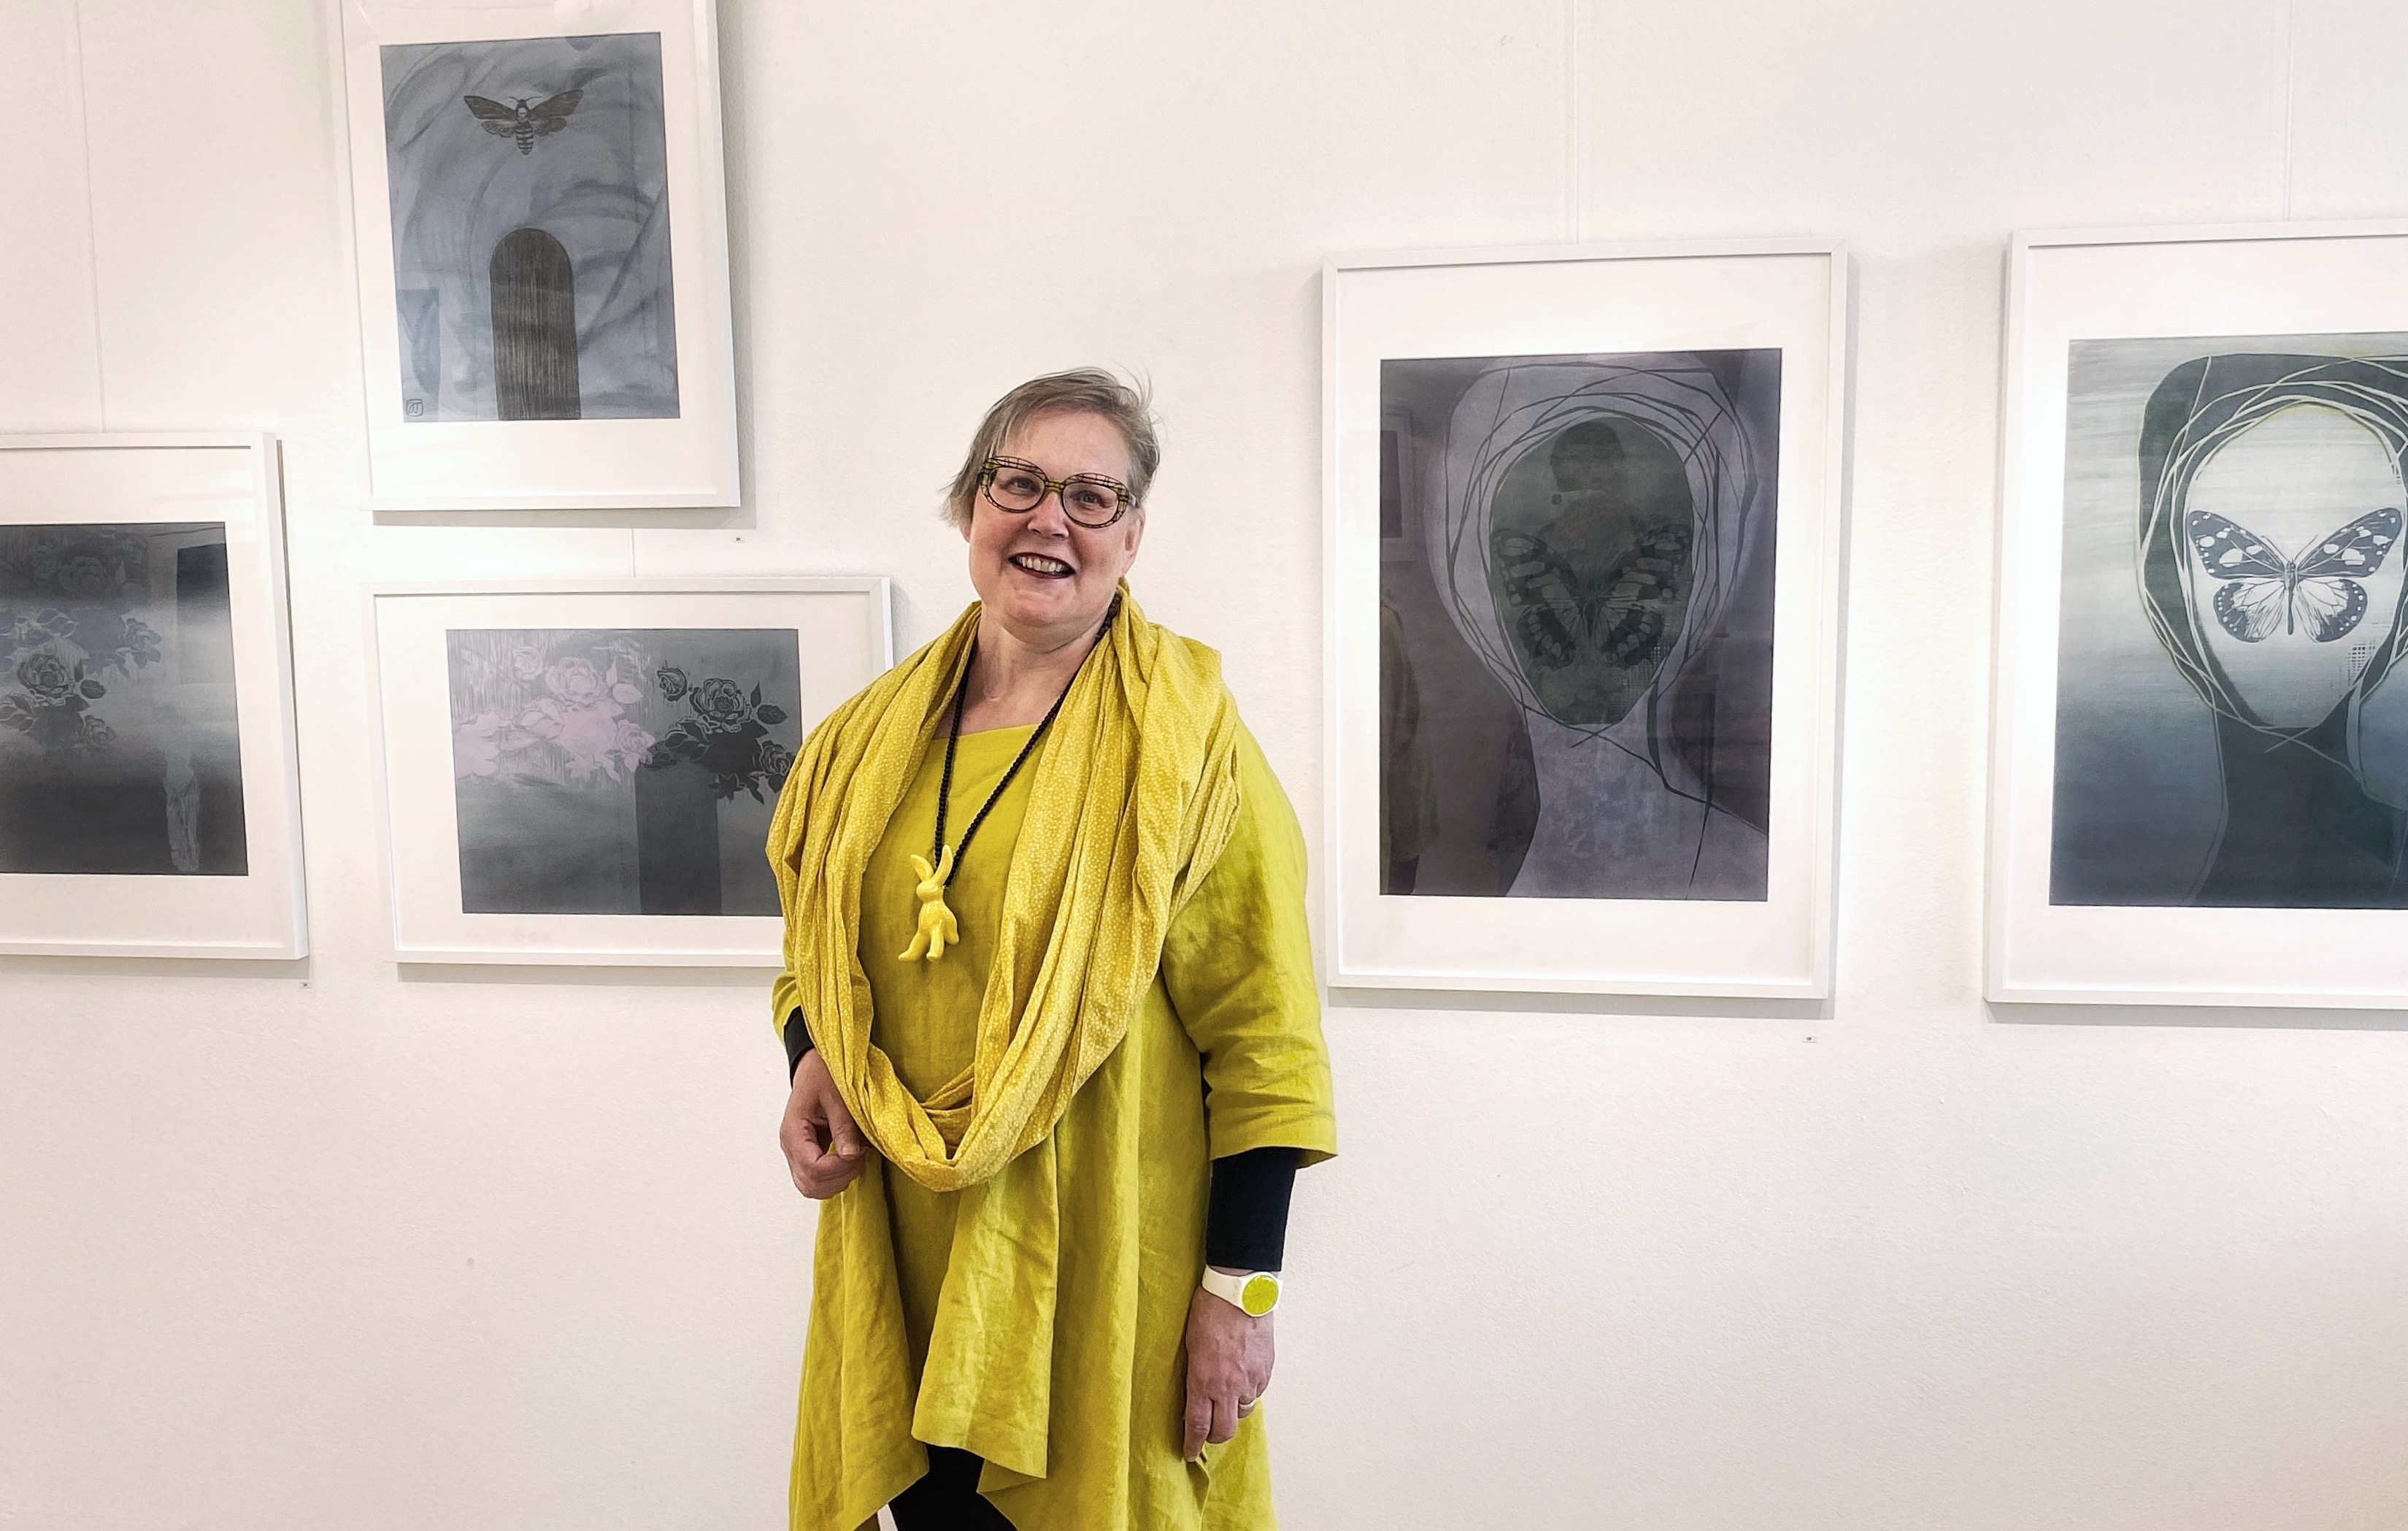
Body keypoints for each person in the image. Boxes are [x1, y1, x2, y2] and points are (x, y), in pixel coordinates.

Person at [766, 369, 1336, 1531]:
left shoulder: (1189, 748)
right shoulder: (863, 741)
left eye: (1090, 495)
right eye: (1018, 482)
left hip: (1103, 1289)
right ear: (969, 504)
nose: (1049, 520)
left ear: (1132, 534)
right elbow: (812, 956)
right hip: (906, 1269)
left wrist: (1240, 1293)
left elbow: (1266, 1045)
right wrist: (810, 1054)